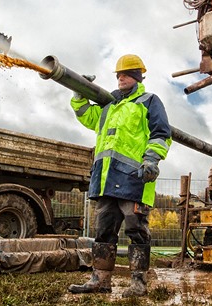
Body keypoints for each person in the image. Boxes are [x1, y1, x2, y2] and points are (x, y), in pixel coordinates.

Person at [68, 54, 172, 297]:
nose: (120, 77)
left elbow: (161, 133)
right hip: (104, 179)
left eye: (125, 74)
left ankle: (138, 284)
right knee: (103, 232)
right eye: (118, 74)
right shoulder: (108, 105)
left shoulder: (149, 101)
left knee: (137, 231)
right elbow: (86, 116)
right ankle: (100, 280)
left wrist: (151, 160)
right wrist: (78, 94)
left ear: (137, 76)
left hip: (134, 179)